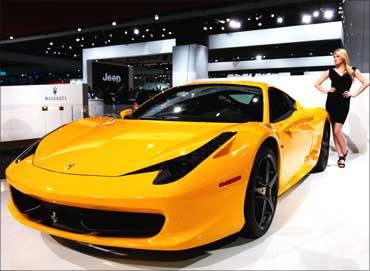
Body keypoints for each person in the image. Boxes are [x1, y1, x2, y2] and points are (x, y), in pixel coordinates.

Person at [314, 48, 369, 168]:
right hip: (331, 102)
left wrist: (353, 94)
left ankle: (344, 151)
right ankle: (341, 156)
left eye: (337, 56)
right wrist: (326, 90)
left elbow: (366, 82)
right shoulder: (330, 71)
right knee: (334, 130)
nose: (335, 58)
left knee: (337, 130)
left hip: (343, 103)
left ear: (344, 57)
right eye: (334, 56)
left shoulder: (352, 70)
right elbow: (316, 84)